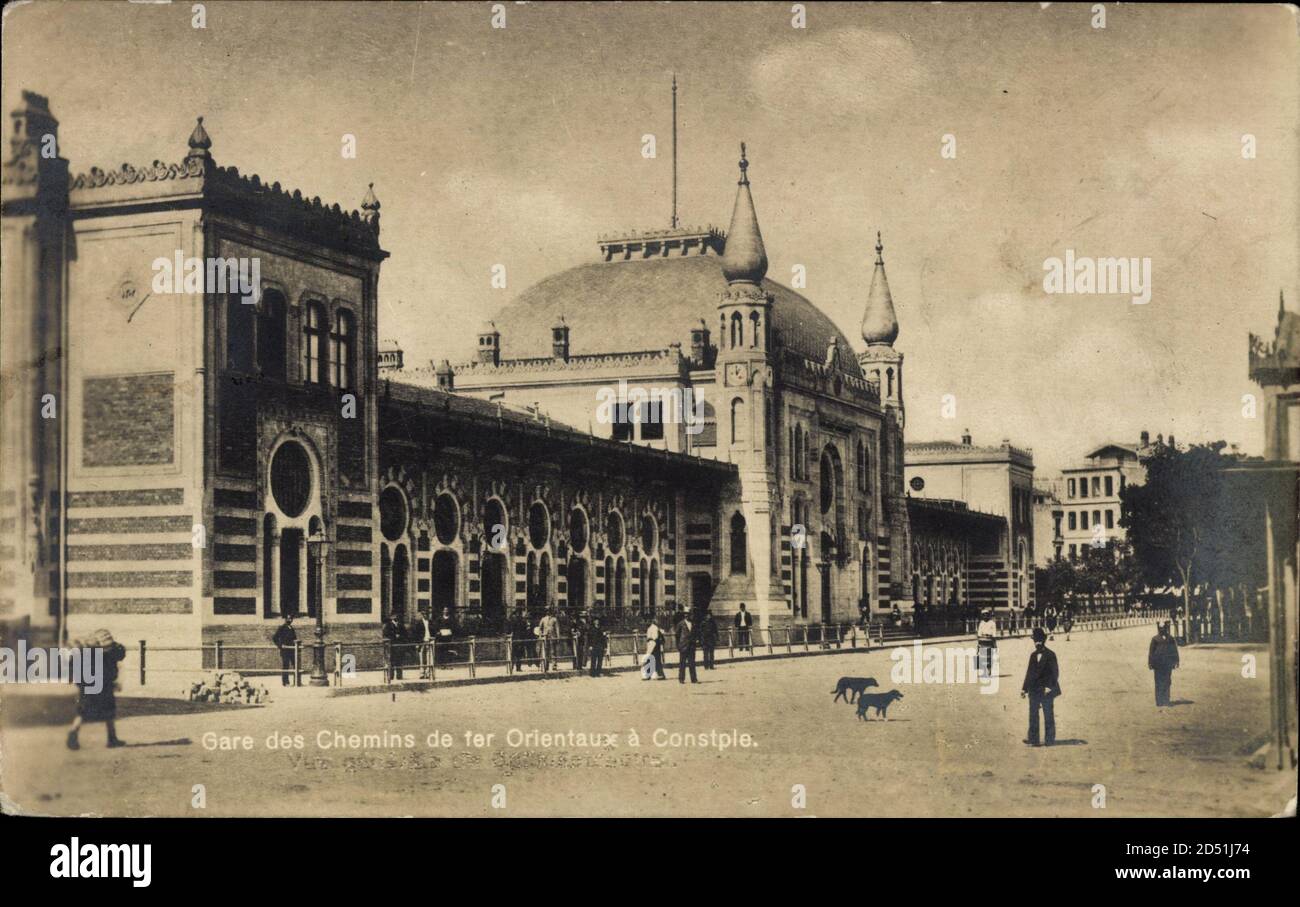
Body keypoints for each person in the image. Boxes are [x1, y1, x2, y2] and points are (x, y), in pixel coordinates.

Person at [66, 629, 127, 750]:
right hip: (97, 686)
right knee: (99, 712)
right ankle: (110, 738)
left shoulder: (94, 653)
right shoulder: (98, 654)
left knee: (94, 712)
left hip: (95, 687)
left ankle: (111, 738)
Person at [1020, 627, 1061, 746]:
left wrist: (1050, 686)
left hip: (1046, 689)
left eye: (1039, 640)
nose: (1037, 643)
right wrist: (1024, 688)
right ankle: (1033, 739)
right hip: (1034, 689)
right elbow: (1029, 672)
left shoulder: (1050, 654)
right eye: (1035, 640)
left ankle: (1049, 739)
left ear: (1044, 640)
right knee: (1033, 714)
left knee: (1048, 714)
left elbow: (1055, 672)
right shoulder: (1033, 655)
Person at [1148, 620, 1180, 707]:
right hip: (1158, 664)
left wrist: (1176, 661)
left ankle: (1166, 699)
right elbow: (1151, 652)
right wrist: (1150, 663)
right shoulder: (1155, 639)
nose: (1162, 630)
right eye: (1160, 628)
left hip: (1167, 664)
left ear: (1167, 628)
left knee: (1167, 681)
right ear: (1158, 629)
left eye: (1164, 628)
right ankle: (1159, 700)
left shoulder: (1170, 639)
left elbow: (1174, 650)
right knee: (1158, 681)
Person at [271, 613, 297, 686]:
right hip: (285, 650)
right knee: (286, 666)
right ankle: (285, 682)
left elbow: (294, 638)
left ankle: (296, 681)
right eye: (288, 618)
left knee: (295, 665)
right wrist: (280, 645)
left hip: (292, 650)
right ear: (285, 619)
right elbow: (275, 638)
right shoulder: (282, 628)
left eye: (291, 618)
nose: (290, 620)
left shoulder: (291, 628)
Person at [675, 611, 698, 684]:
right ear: (684, 615)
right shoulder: (680, 624)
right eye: (685, 614)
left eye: (688, 614)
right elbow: (677, 635)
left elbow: (695, 633)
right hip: (683, 646)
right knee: (682, 663)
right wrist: (679, 645)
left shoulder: (693, 623)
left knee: (692, 663)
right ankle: (681, 679)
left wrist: (695, 640)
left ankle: (693, 679)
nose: (687, 616)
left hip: (691, 646)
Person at [975, 608, 998, 679]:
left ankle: (989, 669)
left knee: (989, 656)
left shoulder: (992, 623)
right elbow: (979, 632)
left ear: (989, 615)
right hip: (982, 641)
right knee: (982, 656)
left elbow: (994, 633)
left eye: (986, 615)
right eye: (984, 615)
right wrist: (978, 641)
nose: (985, 616)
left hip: (989, 641)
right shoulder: (981, 623)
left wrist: (994, 642)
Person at [382, 613, 405, 681]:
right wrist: (394, 636)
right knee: (391, 661)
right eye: (394, 616)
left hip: (399, 646)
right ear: (391, 617)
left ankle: (399, 676)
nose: (395, 617)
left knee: (399, 661)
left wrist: (401, 636)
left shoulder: (401, 625)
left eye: (396, 616)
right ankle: (391, 676)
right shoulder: (388, 626)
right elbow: (386, 635)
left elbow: (405, 634)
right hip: (391, 646)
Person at [412, 610, 434, 679]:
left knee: (429, 658)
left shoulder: (431, 622)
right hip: (422, 641)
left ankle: (428, 673)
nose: (426, 615)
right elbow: (416, 634)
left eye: (427, 614)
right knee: (422, 658)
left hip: (429, 641)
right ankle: (422, 673)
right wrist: (417, 643)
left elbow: (434, 631)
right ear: (422, 615)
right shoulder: (419, 623)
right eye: (424, 614)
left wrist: (433, 638)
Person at [508, 607, 531, 672]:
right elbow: (525, 630)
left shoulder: (513, 620)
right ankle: (518, 667)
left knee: (513, 653)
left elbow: (510, 629)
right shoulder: (522, 621)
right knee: (519, 654)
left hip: (515, 639)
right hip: (520, 639)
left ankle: (511, 667)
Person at [538, 607, 560, 672]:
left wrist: (558, 637)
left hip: (552, 637)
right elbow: (540, 628)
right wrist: (540, 635)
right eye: (547, 611)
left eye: (549, 610)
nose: (548, 612)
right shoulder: (543, 619)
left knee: (553, 652)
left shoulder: (554, 619)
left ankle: (554, 666)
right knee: (546, 652)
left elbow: (557, 628)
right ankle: (546, 665)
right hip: (545, 637)